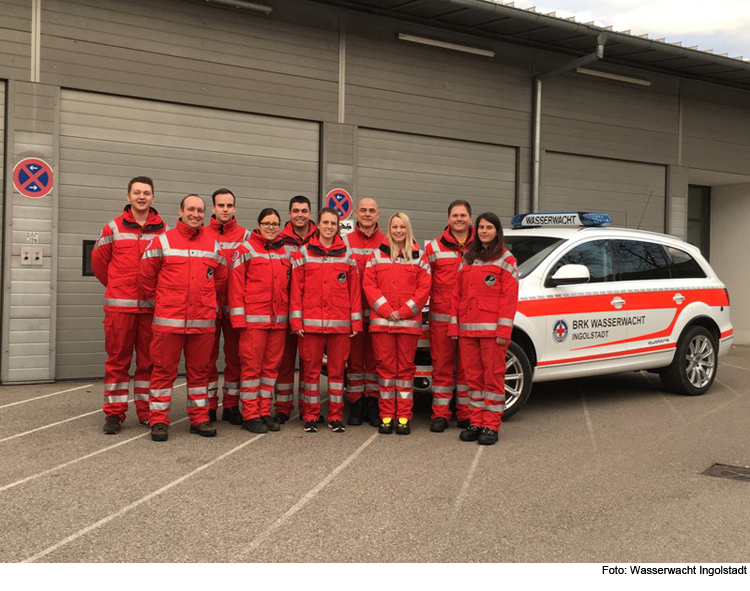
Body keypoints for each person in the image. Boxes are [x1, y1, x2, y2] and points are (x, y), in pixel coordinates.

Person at [138, 194, 227, 442]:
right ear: (180, 212)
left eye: (200, 210)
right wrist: (165, 300)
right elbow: (145, 278)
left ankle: (199, 419)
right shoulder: (162, 241)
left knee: (200, 373)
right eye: (191, 209)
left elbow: (220, 276)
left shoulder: (213, 244)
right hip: (169, 321)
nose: (196, 214)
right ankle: (158, 420)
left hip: (202, 322)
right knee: (162, 372)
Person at [92, 176, 167, 435]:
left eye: (146, 193)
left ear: (153, 198)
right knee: (117, 361)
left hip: (151, 309)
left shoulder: (164, 231)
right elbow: (99, 265)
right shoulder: (112, 228)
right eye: (137, 192)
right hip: (119, 308)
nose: (142, 197)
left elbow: (166, 269)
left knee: (149, 362)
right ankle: (114, 413)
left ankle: (146, 412)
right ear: (128, 196)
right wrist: (116, 287)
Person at [289, 208, 362, 433]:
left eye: (333, 223)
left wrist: (356, 323)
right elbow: (296, 292)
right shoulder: (302, 254)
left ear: (337, 226)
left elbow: (354, 292)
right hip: (310, 325)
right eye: (326, 222)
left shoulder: (348, 256)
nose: (329, 226)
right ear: (318, 225)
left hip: (340, 325)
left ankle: (335, 417)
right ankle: (311, 416)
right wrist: (296, 323)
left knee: (337, 373)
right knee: (310, 373)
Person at [449, 213, 519, 446]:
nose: (484, 231)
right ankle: (476, 422)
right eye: (481, 227)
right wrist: (454, 324)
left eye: (489, 227)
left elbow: (509, 300)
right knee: (473, 379)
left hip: (492, 334)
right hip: (468, 331)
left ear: (497, 231)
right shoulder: (468, 258)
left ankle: (491, 425)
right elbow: (456, 295)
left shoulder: (507, 259)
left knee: (493, 379)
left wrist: (503, 332)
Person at [364, 213, 431, 435]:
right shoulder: (376, 256)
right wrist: (386, 310)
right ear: (389, 229)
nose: (399, 231)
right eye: (395, 227)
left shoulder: (419, 257)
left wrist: (402, 311)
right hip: (382, 324)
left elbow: (424, 290)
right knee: (384, 371)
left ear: (408, 229)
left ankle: (403, 417)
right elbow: (369, 286)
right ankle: (385, 416)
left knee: (404, 372)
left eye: (402, 227)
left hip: (407, 324)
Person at [228, 208, 290, 434]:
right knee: (252, 369)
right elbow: (235, 287)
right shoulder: (245, 250)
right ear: (258, 225)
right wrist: (238, 320)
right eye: (267, 223)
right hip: (253, 322)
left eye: (275, 223)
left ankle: (264, 410)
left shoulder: (284, 252)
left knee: (271, 369)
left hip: (278, 322)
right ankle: (250, 414)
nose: (271, 227)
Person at [422, 200, 475, 433]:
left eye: (463, 215)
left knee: (467, 369)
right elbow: (425, 283)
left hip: (471, 318)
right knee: (441, 368)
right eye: (455, 215)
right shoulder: (433, 248)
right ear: (448, 219)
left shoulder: (482, 246)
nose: (459, 219)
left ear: (470, 219)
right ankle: (440, 414)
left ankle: (465, 415)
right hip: (441, 318)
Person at [205, 188, 250, 425]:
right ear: (213, 208)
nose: (225, 209)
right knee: (206, 360)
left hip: (235, 307)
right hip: (208, 307)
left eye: (229, 205)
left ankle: (231, 406)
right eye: (220, 205)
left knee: (236, 359)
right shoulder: (201, 234)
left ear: (235, 208)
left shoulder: (246, 236)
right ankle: (209, 406)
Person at [342, 197, 386, 427]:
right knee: (356, 362)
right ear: (356, 214)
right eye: (363, 211)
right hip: (355, 311)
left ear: (378, 214)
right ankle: (356, 403)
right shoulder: (345, 241)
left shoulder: (387, 241)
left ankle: (373, 403)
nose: (367, 214)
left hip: (380, 313)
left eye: (372, 211)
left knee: (376, 361)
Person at [273, 195, 316, 424]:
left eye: (304, 210)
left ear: (310, 213)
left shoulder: (321, 237)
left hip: (311, 309)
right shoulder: (278, 238)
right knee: (285, 362)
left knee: (309, 363)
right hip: (284, 307)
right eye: (296, 210)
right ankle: (282, 407)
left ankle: (308, 407)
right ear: (289, 214)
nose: (300, 214)